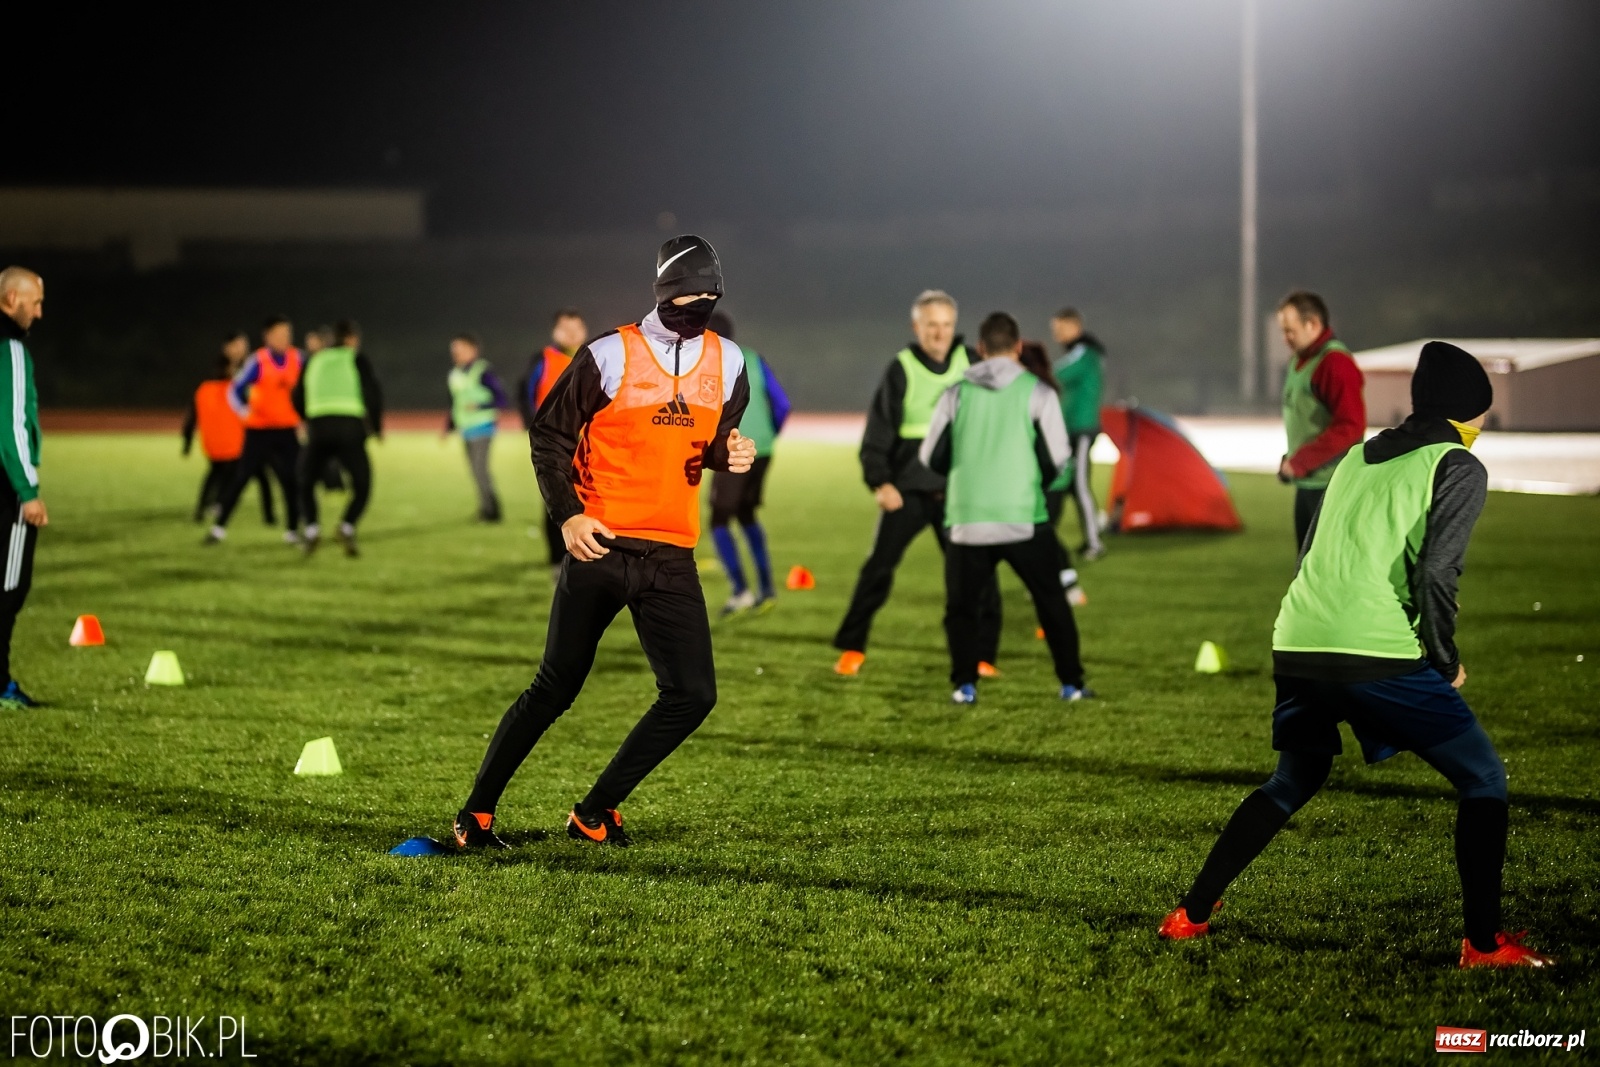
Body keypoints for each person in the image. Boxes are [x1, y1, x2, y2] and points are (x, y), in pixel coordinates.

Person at [1159, 342, 1553, 970]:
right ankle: (1483, 946)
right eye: (1482, 413)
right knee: (1483, 777)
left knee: (1294, 778)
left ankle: (1190, 915)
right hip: (1371, 648)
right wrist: (1444, 661)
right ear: (1468, 414)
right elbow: (1437, 575)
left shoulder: (1354, 456)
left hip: (1298, 636)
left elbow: (1309, 554)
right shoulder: (1458, 464)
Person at [453, 234, 754, 850]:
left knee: (693, 695)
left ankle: (594, 810)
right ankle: (475, 816)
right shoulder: (609, 354)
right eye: (688, 296)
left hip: (671, 554)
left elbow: (714, 438)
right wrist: (568, 516)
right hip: (601, 546)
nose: (698, 308)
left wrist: (729, 452)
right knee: (555, 689)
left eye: (710, 299)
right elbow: (549, 438)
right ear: (664, 293)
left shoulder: (731, 361)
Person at [921, 312, 1090, 705]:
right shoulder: (1038, 392)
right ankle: (1072, 684)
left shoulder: (955, 392)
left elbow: (931, 455)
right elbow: (1059, 458)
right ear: (1017, 348)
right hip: (1022, 518)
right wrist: (1031, 482)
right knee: (1052, 604)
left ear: (981, 350)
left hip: (966, 519)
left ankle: (964, 685)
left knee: (961, 610)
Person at [831, 290, 1001, 678]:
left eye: (946, 325)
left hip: (959, 494)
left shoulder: (973, 364)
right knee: (878, 570)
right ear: (916, 327)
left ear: (954, 327)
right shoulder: (902, 368)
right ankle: (852, 648)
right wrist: (880, 483)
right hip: (906, 493)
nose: (939, 334)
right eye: (931, 326)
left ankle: (983, 655)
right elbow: (877, 434)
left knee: (979, 575)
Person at [706, 310, 790, 615]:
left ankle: (740, 591)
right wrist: (768, 434)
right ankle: (766, 588)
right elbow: (782, 404)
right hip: (763, 449)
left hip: (733, 449)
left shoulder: (709, 360)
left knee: (718, 520)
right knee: (747, 515)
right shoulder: (754, 358)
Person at [1276, 290, 1365, 549]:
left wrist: (1302, 460)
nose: (1285, 339)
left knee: (1322, 573)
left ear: (1313, 324)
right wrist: (1291, 458)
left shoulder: (1335, 363)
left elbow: (1351, 426)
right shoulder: (1301, 360)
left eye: (1290, 331)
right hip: (1308, 483)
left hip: (1331, 486)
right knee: (1304, 572)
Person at [204, 315, 304, 545]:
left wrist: (303, 418)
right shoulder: (258, 361)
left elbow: (307, 389)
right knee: (241, 479)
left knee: (291, 480)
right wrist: (243, 412)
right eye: (279, 334)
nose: (284, 338)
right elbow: (234, 391)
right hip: (259, 431)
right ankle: (218, 530)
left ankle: (292, 531)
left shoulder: (297, 359)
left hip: (287, 430)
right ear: (267, 336)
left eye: (287, 334)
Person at [293, 319, 384, 557]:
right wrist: (375, 426)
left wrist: (308, 417)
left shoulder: (314, 360)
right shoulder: (355, 359)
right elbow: (373, 393)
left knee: (305, 481)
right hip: (349, 429)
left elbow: (297, 396)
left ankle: (312, 529)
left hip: (318, 429)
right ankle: (346, 526)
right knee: (363, 483)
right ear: (352, 339)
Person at [0, 267, 46, 710]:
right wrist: (27, 490)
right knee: (10, 586)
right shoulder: (10, 346)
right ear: (10, 299)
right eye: (34, 302)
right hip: (5, 489)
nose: (39, 311)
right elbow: (12, 425)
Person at [181, 331, 276, 525]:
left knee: (242, 473)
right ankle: (215, 507)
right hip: (234, 435)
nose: (243, 348)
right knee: (228, 472)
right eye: (238, 345)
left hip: (247, 432)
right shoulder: (220, 373)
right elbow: (202, 404)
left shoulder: (249, 366)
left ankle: (218, 507)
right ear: (228, 348)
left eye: (244, 344)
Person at [519, 309, 586, 562]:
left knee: (589, 500)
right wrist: (535, 428)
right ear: (555, 332)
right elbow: (525, 393)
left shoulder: (593, 355)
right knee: (556, 498)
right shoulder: (543, 359)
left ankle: (585, 555)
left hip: (588, 443)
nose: (571, 334)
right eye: (565, 328)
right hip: (555, 443)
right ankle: (557, 559)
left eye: (576, 328)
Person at [1046, 308, 1108, 561]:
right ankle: (1088, 539)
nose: (1057, 334)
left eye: (1060, 328)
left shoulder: (1083, 352)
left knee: (1080, 485)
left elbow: (1055, 374)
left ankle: (1095, 543)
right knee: (1071, 485)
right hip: (1071, 427)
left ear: (1074, 327)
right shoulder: (1082, 352)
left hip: (1081, 428)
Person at [444, 333, 509, 523]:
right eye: (454, 349)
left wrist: (480, 406)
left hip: (483, 427)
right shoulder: (454, 373)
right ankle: (485, 509)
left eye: (461, 348)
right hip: (466, 428)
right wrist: (448, 427)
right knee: (475, 471)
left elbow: (502, 398)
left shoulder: (483, 371)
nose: (456, 352)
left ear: (473, 349)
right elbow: (454, 403)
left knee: (481, 470)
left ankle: (493, 511)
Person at [300, 326, 346, 493]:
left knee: (328, 453)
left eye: (313, 341)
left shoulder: (325, 362)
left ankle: (333, 483)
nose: (310, 345)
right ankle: (328, 483)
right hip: (315, 415)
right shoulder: (308, 361)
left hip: (326, 414)